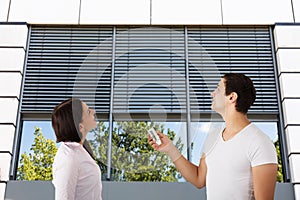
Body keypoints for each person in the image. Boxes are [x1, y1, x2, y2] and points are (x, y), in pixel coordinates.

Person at [149, 73, 278, 200]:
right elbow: (199, 179)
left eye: (218, 88)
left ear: (232, 97)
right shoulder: (213, 137)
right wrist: (170, 149)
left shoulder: (260, 142)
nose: (213, 93)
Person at [51, 98, 102, 200]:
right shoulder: (68, 157)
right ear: (80, 127)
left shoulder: (80, 151)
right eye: (88, 112)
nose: (94, 111)